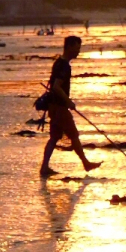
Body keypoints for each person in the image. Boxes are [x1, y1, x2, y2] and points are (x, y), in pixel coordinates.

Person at [40, 35, 102, 178]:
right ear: (69, 47)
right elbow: (56, 86)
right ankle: (86, 163)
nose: (78, 51)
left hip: (54, 106)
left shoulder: (59, 63)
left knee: (54, 137)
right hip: (60, 107)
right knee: (73, 135)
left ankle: (44, 167)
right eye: (77, 47)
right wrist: (68, 101)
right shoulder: (64, 66)